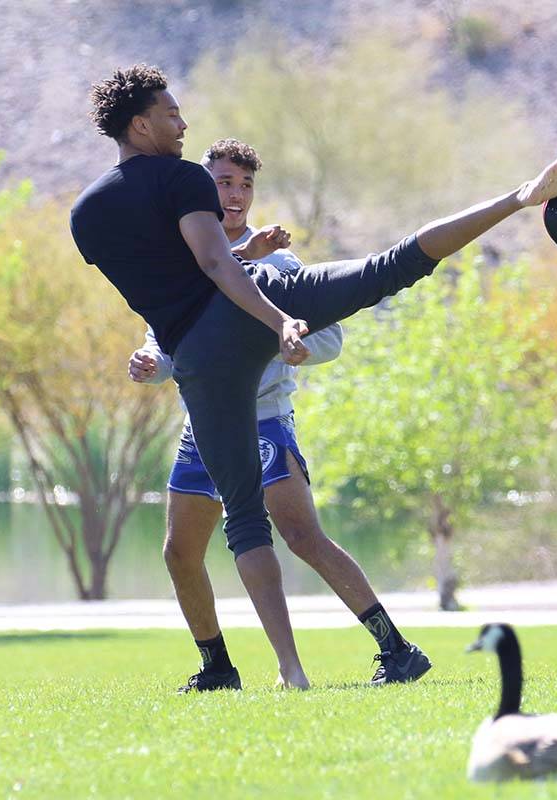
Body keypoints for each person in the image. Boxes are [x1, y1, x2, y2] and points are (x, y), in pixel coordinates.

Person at [70, 64, 557, 685]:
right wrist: (277, 319)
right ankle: (519, 197)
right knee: (390, 267)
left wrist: (216, 303)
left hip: (201, 361)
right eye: (170, 114)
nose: (183, 124)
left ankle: (286, 673)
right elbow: (213, 265)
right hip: (253, 308)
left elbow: (171, 284)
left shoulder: (87, 214)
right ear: (140, 124)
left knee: (245, 521)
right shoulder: (183, 177)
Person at [130, 138, 430, 691]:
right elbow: (168, 341)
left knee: (301, 535)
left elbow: (329, 339)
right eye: (224, 182)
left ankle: (397, 649)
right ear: (202, 188)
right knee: (180, 552)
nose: (236, 194)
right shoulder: (183, 261)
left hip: (263, 420)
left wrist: (287, 345)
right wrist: (151, 362)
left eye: (245, 184)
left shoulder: (279, 263)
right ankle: (218, 668)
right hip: (202, 426)